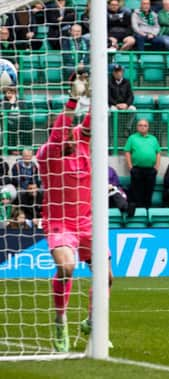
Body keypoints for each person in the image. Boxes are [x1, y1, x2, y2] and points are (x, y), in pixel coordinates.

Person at [36, 96, 113, 353]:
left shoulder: (81, 141)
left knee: (107, 277)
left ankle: (92, 323)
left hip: (87, 222)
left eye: (72, 133)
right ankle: (60, 321)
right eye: (67, 132)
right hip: (60, 223)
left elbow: (90, 124)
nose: (72, 137)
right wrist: (71, 101)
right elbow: (59, 135)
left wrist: (97, 93)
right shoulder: (47, 153)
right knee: (66, 267)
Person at [124, 119, 161, 209]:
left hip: (150, 170)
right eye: (140, 125)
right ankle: (139, 211)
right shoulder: (132, 138)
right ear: (137, 127)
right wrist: (130, 167)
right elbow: (127, 152)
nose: (142, 127)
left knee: (149, 191)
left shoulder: (153, 139)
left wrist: (156, 167)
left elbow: (158, 153)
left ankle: (147, 210)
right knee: (137, 192)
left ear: (148, 127)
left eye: (145, 125)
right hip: (137, 169)